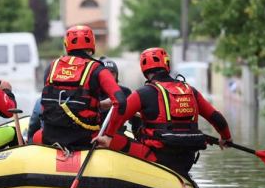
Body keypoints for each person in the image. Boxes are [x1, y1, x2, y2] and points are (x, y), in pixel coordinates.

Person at [95, 47, 232, 176]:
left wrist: (107, 137)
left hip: (157, 158)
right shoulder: (190, 91)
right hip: (187, 160)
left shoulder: (142, 93)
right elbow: (216, 118)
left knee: (102, 139)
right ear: (167, 65)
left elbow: (119, 115)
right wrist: (226, 137)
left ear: (144, 69)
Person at [32, 25, 127, 149]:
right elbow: (121, 101)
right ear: (92, 45)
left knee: (35, 136)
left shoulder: (52, 66)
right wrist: (108, 136)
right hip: (86, 140)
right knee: (123, 141)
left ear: (66, 45)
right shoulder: (98, 69)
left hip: (49, 137)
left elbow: (60, 101)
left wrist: (99, 105)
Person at [98, 56, 140, 135]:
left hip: (117, 134)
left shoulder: (124, 92)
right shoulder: (91, 91)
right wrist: (101, 105)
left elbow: (136, 118)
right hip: (94, 132)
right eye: (106, 73)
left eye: (112, 73)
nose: (109, 76)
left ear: (117, 75)